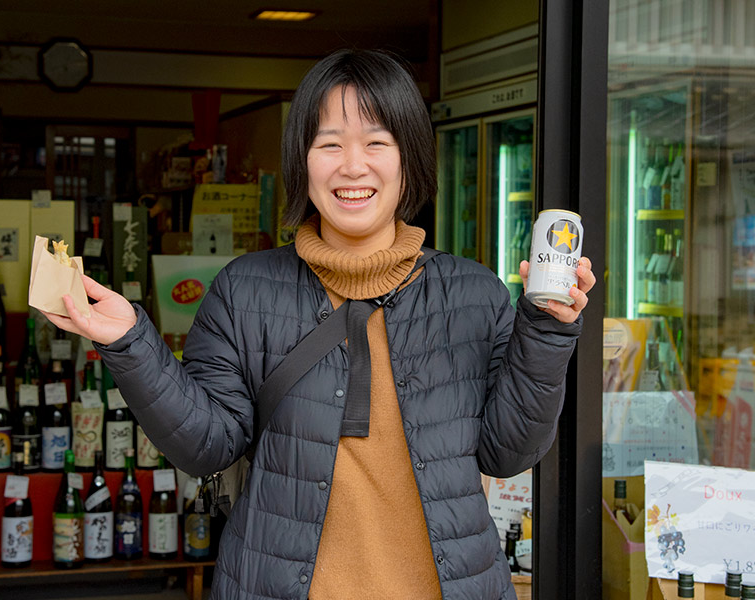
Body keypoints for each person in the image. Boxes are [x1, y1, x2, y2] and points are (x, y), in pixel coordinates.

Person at [43, 49, 595, 600]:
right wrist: (129, 342)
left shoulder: (472, 294)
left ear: (410, 160)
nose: (352, 166)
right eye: (329, 143)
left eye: (377, 142)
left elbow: (509, 452)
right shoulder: (246, 289)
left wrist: (546, 330)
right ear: (301, 160)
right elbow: (208, 446)